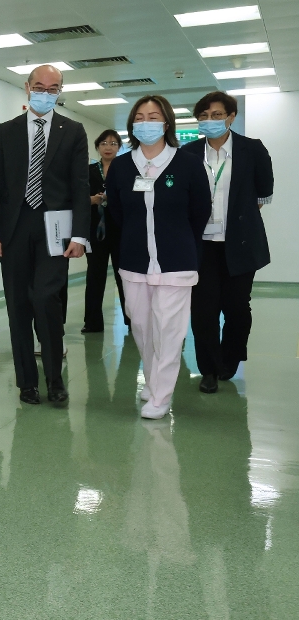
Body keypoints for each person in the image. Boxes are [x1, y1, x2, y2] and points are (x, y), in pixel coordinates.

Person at [0, 65, 90, 406]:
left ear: (60, 92)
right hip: (14, 229)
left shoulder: (73, 131)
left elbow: (80, 186)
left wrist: (80, 235)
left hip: (55, 228)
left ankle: (55, 379)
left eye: (53, 88)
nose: (45, 93)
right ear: (27, 88)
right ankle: (27, 382)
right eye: (39, 87)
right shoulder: (6, 131)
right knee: (18, 306)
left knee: (46, 300)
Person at [106, 95, 211, 419]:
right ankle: (153, 383)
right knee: (141, 326)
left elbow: (200, 211)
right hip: (135, 261)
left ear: (166, 124)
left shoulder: (188, 163)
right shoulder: (122, 167)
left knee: (168, 331)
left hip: (176, 261)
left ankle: (161, 396)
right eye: (139, 117)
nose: (146, 123)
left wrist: (178, 240)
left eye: (153, 117)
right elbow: (117, 213)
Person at [184, 91, 273, 393]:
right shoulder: (189, 153)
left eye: (217, 115)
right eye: (204, 116)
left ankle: (230, 359)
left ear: (231, 117)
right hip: (202, 245)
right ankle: (208, 369)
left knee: (237, 308)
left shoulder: (252, 149)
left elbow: (263, 194)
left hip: (241, 242)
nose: (210, 120)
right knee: (203, 310)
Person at [82, 129, 127, 333]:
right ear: (98, 147)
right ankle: (92, 322)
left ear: (119, 147)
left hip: (120, 230)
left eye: (113, 143)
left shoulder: (125, 168)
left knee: (123, 276)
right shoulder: (88, 170)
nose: (108, 147)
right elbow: (76, 197)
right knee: (95, 276)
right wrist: (92, 200)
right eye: (104, 143)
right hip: (95, 230)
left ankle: (131, 320)